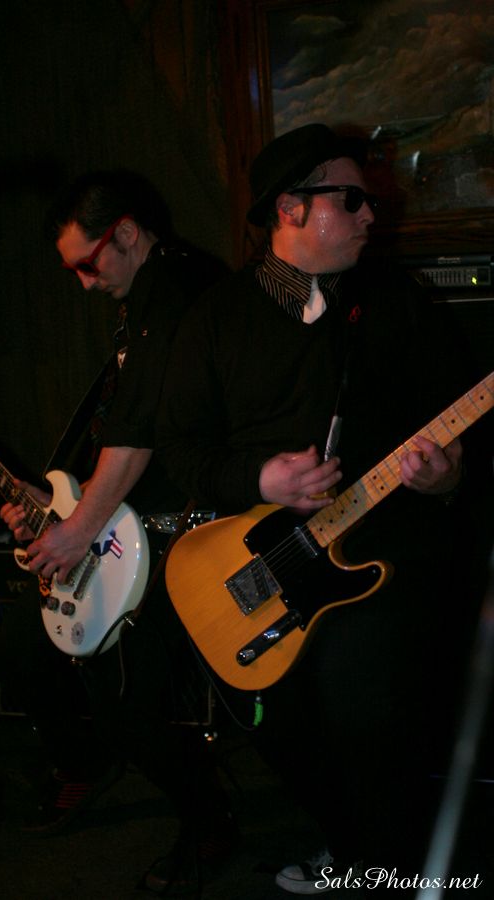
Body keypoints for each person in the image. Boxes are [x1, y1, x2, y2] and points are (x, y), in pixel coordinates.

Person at [156, 123, 490, 895]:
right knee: (279, 725)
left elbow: (467, 428)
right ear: (291, 209)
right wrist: (260, 479)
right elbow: (180, 449)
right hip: (268, 562)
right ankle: (355, 848)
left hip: (387, 558)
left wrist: (448, 478)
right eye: (351, 200)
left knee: (363, 711)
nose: (371, 214)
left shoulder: (397, 302)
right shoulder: (215, 319)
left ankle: (390, 869)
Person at [0, 169, 238, 890]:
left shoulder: (181, 287)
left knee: (126, 700)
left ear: (126, 233)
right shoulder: (142, 306)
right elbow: (114, 433)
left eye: (87, 265)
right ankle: (83, 763)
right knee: (23, 649)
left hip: (183, 530)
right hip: (124, 524)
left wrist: (78, 528)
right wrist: (50, 502)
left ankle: (209, 819)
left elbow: (140, 433)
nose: (84, 284)